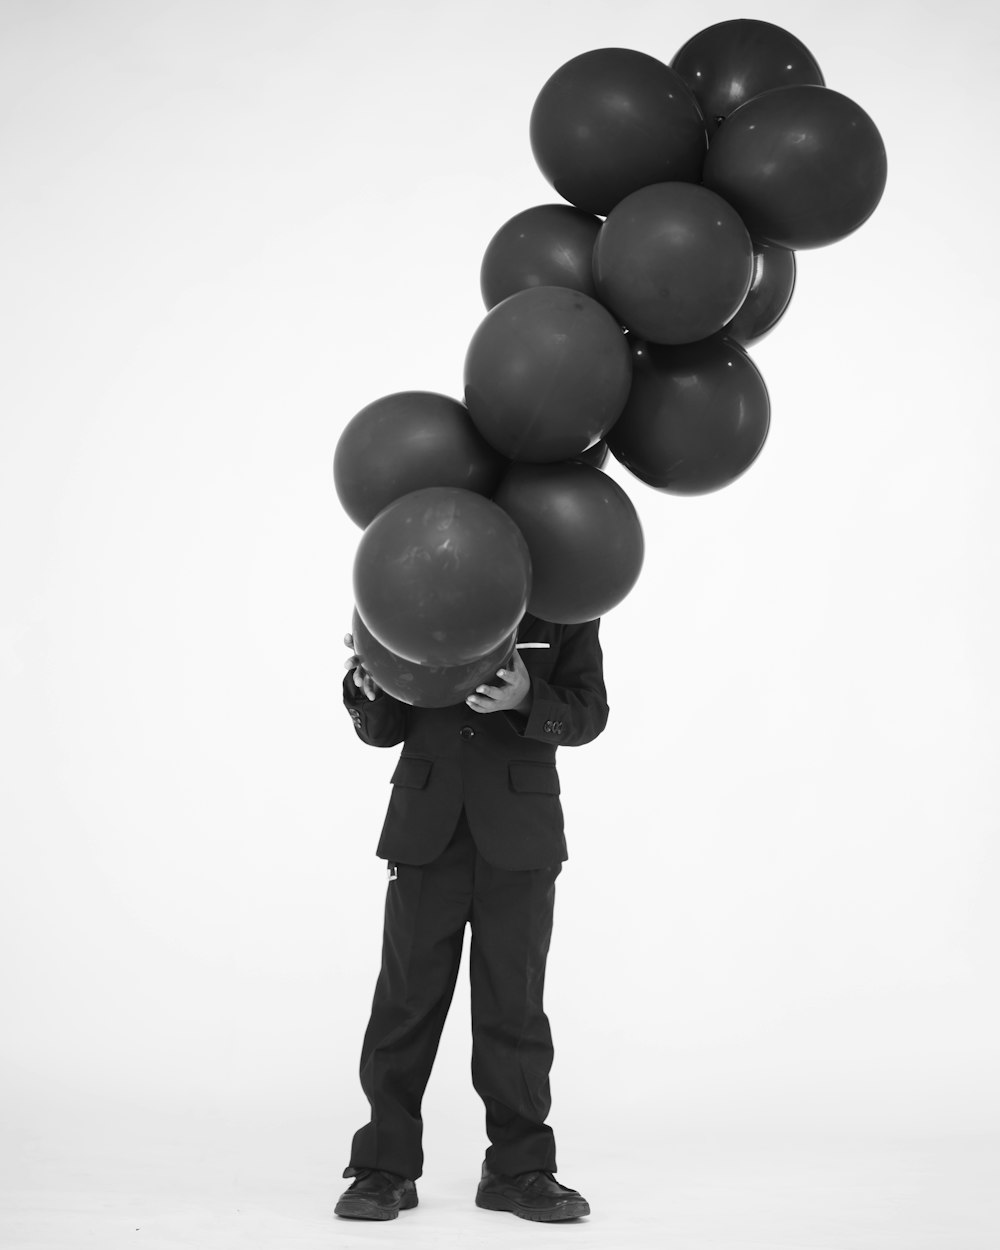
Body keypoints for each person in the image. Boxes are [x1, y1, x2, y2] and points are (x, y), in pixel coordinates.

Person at [334, 610, 609, 1223]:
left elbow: (589, 713)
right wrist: (366, 687)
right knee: (405, 1001)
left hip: (522, 833)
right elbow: (383, 730)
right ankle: (384, 1167)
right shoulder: (412, 587)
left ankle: (519, 1169)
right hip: (425, 830)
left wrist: (527, 697)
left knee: (514, 1004)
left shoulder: (568, 596)